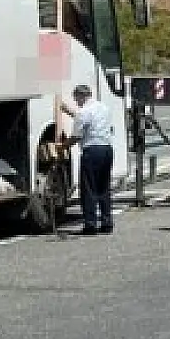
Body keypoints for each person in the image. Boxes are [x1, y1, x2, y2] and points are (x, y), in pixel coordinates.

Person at [60, 84, 115, 235]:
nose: (76, 101)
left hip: (92, 151)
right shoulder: (103, 108)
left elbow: (77, 136)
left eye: (76, 98)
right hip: (107, 149)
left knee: (89, 188)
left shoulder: (83, 112)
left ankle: (90, 225)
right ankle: (107, 223)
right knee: (104, 187)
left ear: (81, 96)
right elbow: (91, 122)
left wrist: (62, 146)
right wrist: (71, 112)